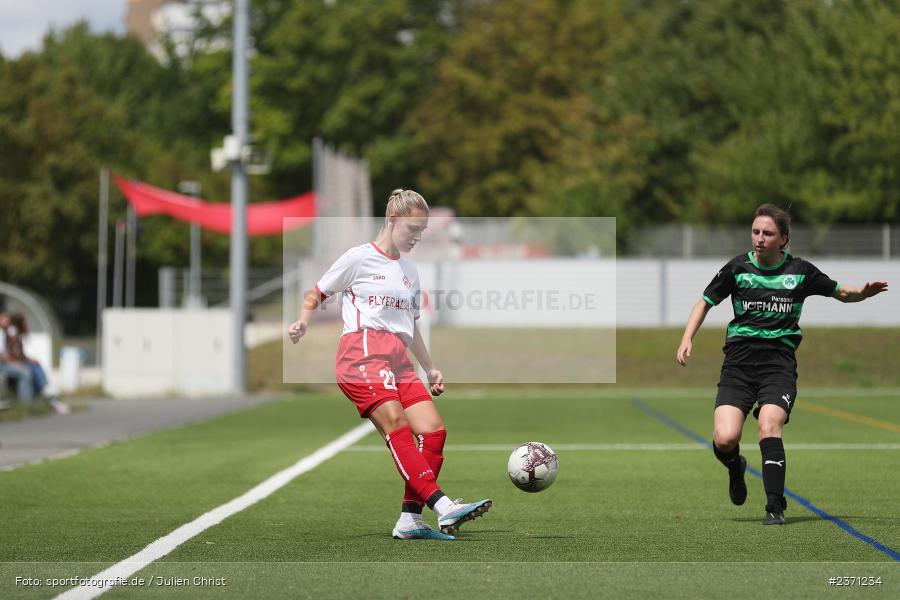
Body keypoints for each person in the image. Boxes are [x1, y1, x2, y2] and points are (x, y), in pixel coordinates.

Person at [288, 188, 491, 540]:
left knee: (433, 433)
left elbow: (411, 325)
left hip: (399, 358)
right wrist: (303, 321)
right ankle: (444, 507)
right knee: (397, 424)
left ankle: (410, 520)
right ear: (393, 219)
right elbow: (317, 292)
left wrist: (430, 368)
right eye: (413, 228)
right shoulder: (358, 258)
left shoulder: (410, 271)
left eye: (422, 230)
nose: (418, 236)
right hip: (362, 353)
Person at [676, 204, 888, 525]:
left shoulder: (800, 272)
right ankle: (736, 467)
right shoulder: (737, 269)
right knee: (724, 439)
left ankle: (775, 506)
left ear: (784, 240)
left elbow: (840, 292)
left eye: (768, 233)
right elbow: (704, 302)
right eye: (756, 232)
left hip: (778, 366)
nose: (759, 239)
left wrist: (862, 293)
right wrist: (687, 337)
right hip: (739, 365)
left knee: (769, 425)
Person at [6, 313, 70, 414]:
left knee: (36, 365)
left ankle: (45, 390)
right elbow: (12, 354)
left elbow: (19, 354)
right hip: (12, 363)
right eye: (25, 323)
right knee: (30, 370)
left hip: (17, 361)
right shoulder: (13, 333)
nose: (27, 325)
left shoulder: (17, 335)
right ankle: (43, 393)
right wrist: (23, 361)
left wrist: (29, 359)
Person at [0, 312, 36, 405]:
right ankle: (26, 404)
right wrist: (15, 364)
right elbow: (2, 356)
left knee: (30, 368)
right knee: (26, 373)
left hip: (5, 363)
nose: (7, 321)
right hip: (2, 364)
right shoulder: (3, 333)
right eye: (4, 319)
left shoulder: (4, 333)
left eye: (8, 319)